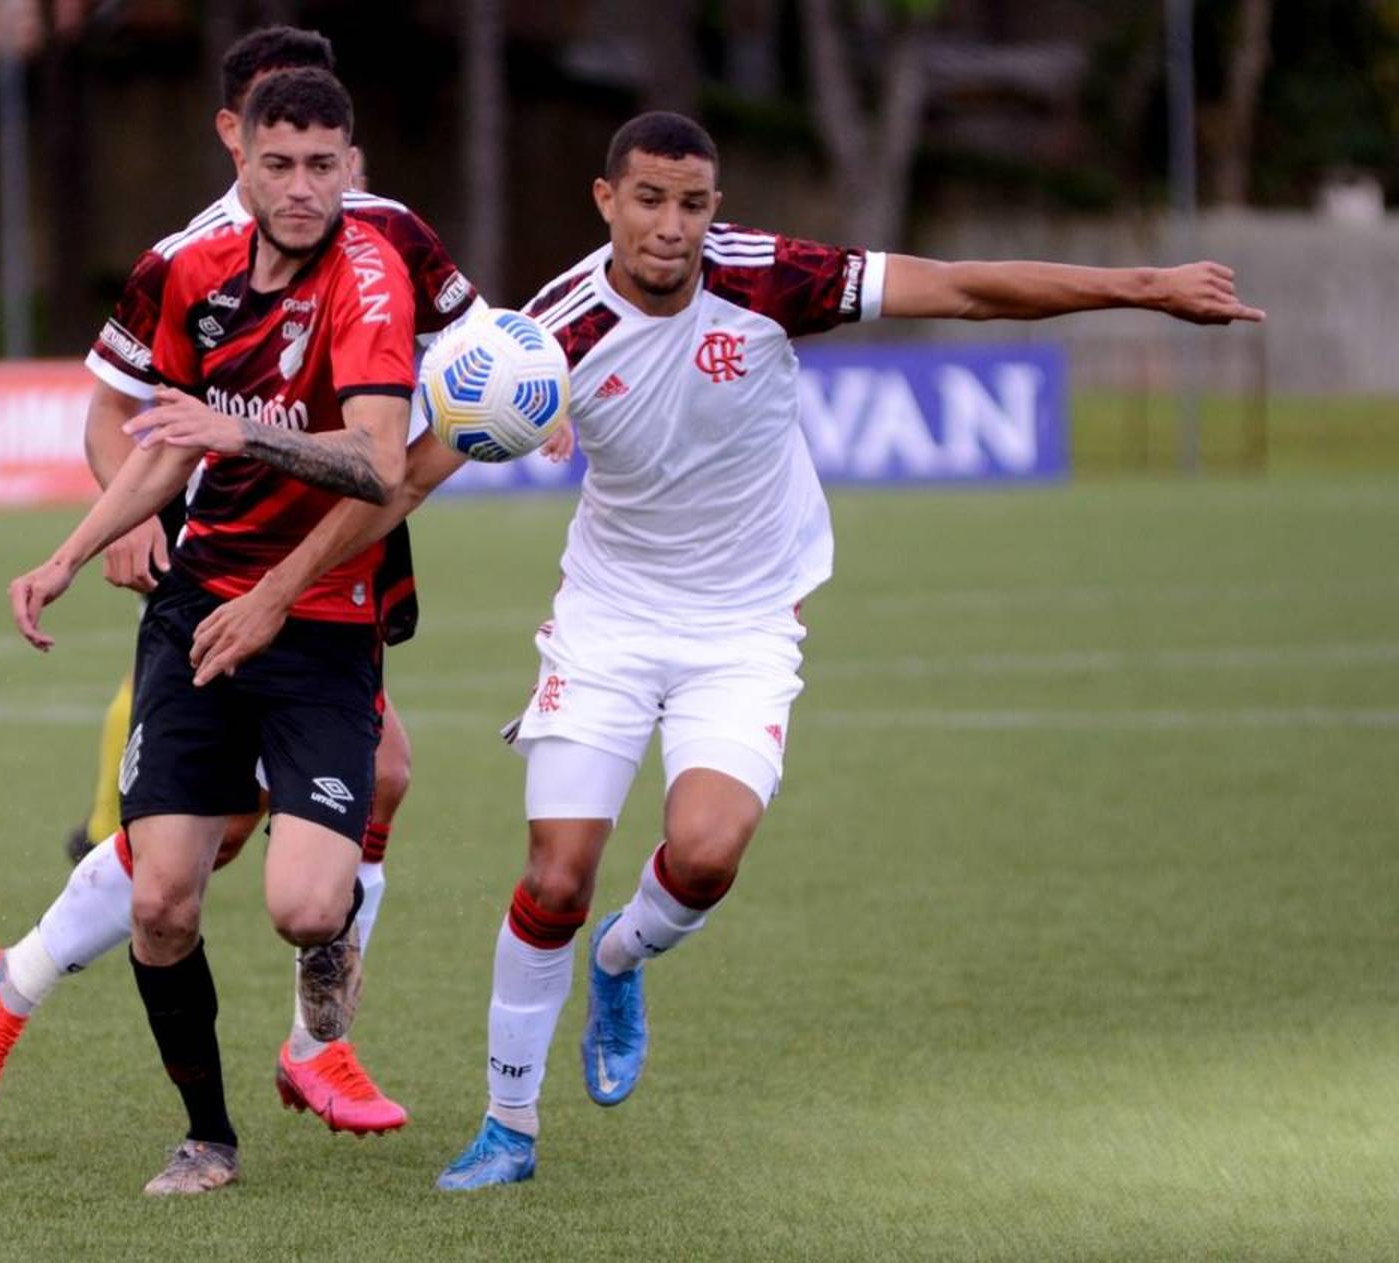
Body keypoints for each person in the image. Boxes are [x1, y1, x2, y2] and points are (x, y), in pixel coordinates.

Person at [178, 110, 1265, 1190]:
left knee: (702, 856)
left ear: (715, 208)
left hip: (744, 625)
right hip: (609, 619)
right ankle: (510, 1126)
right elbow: (407, 476)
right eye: (647, 200)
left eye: (692, 204)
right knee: (555, 877)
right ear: (607, 202)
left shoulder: (773, 279)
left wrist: (1147, 287)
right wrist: (278, 591)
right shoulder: (552, 333)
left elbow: (965, 286)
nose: (670, 226)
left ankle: (624, 958)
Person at [0, 28, 482, 1148]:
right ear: (235, 144)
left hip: (330, 585)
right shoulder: (189, 262)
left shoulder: (381, 255)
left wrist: (530, 390)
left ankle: (285, 1029)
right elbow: (140, 423)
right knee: (172, 885)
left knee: (322, 855)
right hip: (208, 590)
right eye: (274, 157)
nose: (301, 182)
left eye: (323, 161)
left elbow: (421, 419)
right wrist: (84, 545)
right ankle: (216, 1114)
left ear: (352, 158)